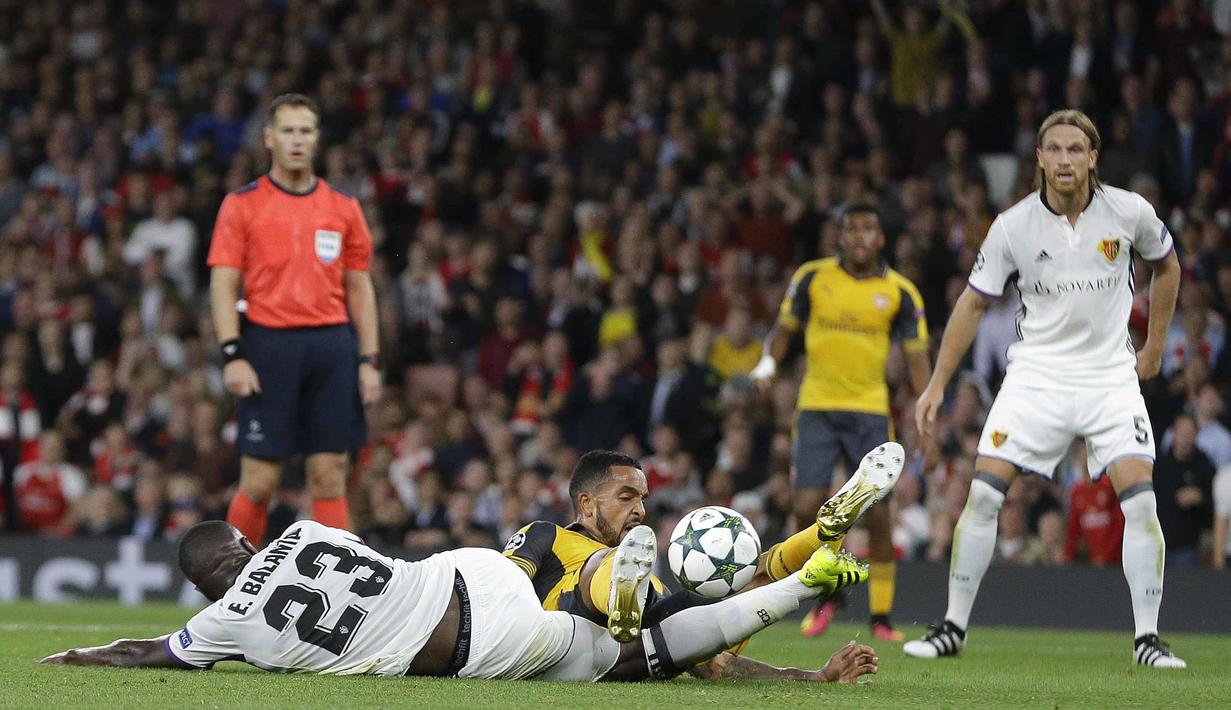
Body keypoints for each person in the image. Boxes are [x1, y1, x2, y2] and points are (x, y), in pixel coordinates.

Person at [903, 110, 1186, 668]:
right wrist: (936, 383)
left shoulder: (1129, 211)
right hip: (1035, 377)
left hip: (1109, 378)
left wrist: (1153, 347)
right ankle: (952, 628)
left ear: (1093, 157)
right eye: (1053, 149)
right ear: (1038, 158)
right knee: (984, 494)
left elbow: (1168, 265)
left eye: (1075, 149)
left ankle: (1148, 640)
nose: (1064, 160)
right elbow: (972, 303)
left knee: (1141, 501)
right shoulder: (1013, 226)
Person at [40, 519, 875, 684]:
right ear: (248, 542)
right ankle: (792, 579)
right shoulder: (301, 530)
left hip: (472, 645)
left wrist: (76, 656)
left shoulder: (220, 621)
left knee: (635, 660)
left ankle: (792, 585)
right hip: (475, 571)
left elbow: (147, 653)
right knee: (604, 612)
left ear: (203, 586)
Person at [504, 444, 901, 679]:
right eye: (626, 498)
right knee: (602, 568)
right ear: (587, 504)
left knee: (736, 584)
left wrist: (814, 677)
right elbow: (500, 587)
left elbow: (716, 664)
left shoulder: (651, 584)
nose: (640, 510)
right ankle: (613, 592)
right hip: (564, 625)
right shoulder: (546, 534)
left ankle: (824, 532)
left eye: (643, 499)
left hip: (632, 644)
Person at [750, 203, 931, 642]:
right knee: (806, 506)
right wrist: (769, 362)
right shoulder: (812, 277)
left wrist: (926, 408)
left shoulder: (901, 291)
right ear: (841, 236)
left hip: (870, 411)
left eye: (868, 229)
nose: (859, 236)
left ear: (880, 238)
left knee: (879, 516)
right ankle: (828, 595)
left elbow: (916, 355)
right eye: (852, 229)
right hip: (817, 407)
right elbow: (783, 329)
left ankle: (881, 618)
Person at [207, 94, 381, 545]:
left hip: (331, 347)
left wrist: (369, 359)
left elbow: (359, 287)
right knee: (259, 480)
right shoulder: (242, 205)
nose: (297, 140)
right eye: (288, 131)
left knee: (329, 474)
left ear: (317, 139)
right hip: (268, 346)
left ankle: (337, 579)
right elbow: (223, 285)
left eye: (306, 130)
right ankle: (234, 580)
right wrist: (232, 353)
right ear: (269, 138)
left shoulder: (343, 207)